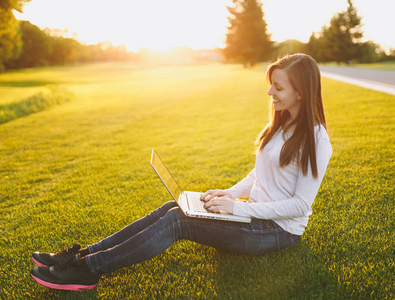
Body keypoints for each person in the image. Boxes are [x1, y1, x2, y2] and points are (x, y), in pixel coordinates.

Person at [30, 53, 332, 291]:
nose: (270, 92)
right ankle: (82, 256)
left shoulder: (316, 140)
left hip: (277, 232)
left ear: (301, 92)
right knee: (172, 206)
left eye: (278, 87)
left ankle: (88, 271)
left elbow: (300, 206)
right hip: (253, 214)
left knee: (178, 221)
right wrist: (230, 194)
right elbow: (260, 174)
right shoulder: (281, 124)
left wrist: (241, 210)